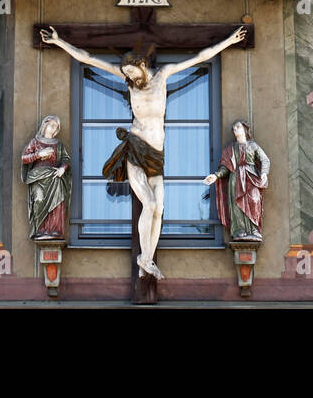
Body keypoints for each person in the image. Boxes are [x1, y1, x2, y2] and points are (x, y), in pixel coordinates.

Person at [40, 25, 248, 280]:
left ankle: (145, 259)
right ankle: (146, 259)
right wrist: (60, 42)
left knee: (159, 208)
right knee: (148, 203)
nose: (130, 78)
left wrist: (229, 41)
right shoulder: (130, 83)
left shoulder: (163, 75)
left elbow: (200, 57)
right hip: (136, 149)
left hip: (157, 154)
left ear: (141, 65)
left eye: (132, 72)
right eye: (126, 74)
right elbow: (88, 58)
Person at [203, 120, 270, 241]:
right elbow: (225, 167)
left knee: (254, 201)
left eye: (238, 127)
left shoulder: (253, 146)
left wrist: (264, 173)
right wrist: (216, 176)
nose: (235, 130)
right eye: (234, 129)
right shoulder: (230, 149)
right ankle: (240, 230)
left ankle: (254, 229)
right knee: (236, 205)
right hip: (236, 178)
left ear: (245, 129)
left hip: (251, 177)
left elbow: (265, 160)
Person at [20, 115, 71, 239]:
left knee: (58, 201)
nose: (54, 129)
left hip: (54, 176)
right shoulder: (35, 142)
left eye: (56, 127)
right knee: (38, 200)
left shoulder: (58, 144)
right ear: (45, 124)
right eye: (52, 125)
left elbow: (66, 159)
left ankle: (54, 230)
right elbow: (24, 158)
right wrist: (38, 154)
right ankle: (40, 230)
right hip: (38, 177)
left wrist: (62, 169)